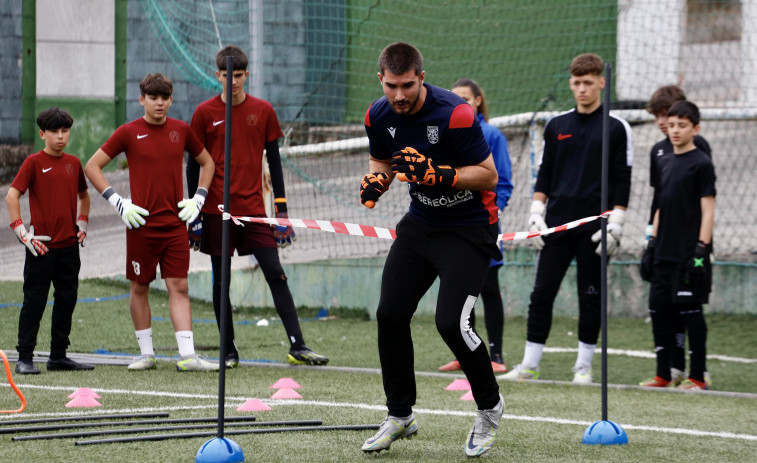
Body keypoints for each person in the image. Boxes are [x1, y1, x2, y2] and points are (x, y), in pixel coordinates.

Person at [359, 42, 504, 458]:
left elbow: (488, 176)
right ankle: (400, 415)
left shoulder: (456, 112)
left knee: (451, 324)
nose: (399, 95)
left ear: (421, 77)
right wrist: (377, 180)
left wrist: (441, 175)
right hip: (420, 224)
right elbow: (381, 160)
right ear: (381, 80)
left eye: (407, 85)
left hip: (468, 230)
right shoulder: (377, 114)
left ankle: (490, 407)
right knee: (389, 314)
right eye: (391, 86)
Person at [186, 45, 328, 368]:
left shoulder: (263, 110)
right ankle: (229, 351)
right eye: (226, 75)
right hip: (215, 213)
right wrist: (194, 211)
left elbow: (275, 163)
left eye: (238, 75)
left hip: (254, 212)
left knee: (276, 273)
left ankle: (298, 346)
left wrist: (281, 212)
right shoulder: (203, 114)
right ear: (217, 75)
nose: (232, 81)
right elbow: (193, 165)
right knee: (221, 281)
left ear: (246, 75)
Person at [500, 53, 633, 384]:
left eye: (588, 82)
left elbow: (623, 179)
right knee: (541, 293)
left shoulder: (618, 128)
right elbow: (544, 174)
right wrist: (535, 216)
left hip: (595, 229)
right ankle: (529, 364)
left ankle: (583, 368)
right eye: (576, 83)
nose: (582, 89)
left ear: (602, 82)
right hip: (556, 225)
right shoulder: (556, 126)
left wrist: (616, 224)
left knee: (591, 296)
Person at [84, 73, 219, 372]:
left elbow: (208, 163)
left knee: (179, 286)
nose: (159, 103)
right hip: (140, 226)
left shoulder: (181, 130)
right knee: (139, 286)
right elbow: (92, 166)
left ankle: (187, 356)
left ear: (171, 100)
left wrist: (198, 199)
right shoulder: (128, 132)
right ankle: (147, 354)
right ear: (141, 99)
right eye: (153, 98)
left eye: (164, 98)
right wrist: (117, 201)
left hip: (174, 225)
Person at [6, 107, 94, 374]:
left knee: (67, 300)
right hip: (40, 247)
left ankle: (58, 356)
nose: (60, 136)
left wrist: (82, 222)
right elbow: (12, 196)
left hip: (69, 248)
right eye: (54, 131)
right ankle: (24, 358)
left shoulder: (74, 163)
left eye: (65, 131)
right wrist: (22, 233)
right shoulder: (32, 162)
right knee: (34, 301)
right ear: (42, 133)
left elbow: (84, 196)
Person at [438, 78, 513, 374]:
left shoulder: (492, 134)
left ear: (478, 101)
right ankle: (466, 353)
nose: (460, 103)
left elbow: (503, 181)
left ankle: (496, 355)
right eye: (455, 98)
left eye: (466, 98)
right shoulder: (446, 131)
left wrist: (491, 211)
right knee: (458, 289)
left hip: (482, 226)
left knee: (489, 288)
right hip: (452, 227)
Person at [639, 101, 715, 391]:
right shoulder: (664, 159)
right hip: (663, 252)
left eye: (682, 125)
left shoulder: (701, 163)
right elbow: (660, 205)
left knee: (690, 314)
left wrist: (701, 250)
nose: (675, 130)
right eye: (671, 125)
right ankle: (664, 374)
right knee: (658, 310)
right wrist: (651, 243)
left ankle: (697, 376)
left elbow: (708, 210)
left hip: (687, 254)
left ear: (695, 128)